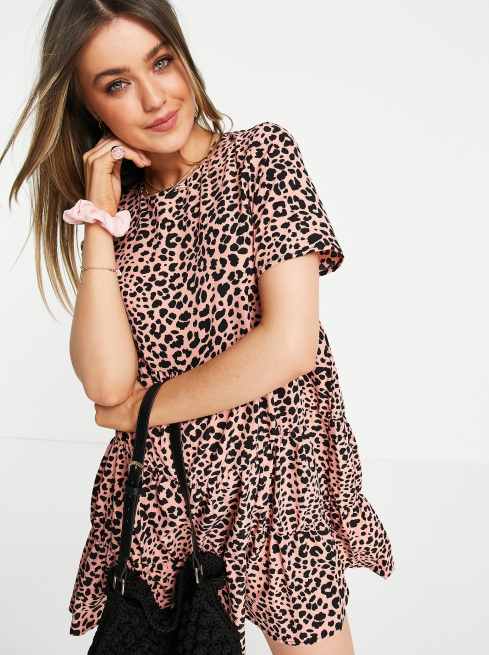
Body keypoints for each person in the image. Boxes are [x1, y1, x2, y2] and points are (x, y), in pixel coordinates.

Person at [2, 1, 395, 653]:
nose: (154, 97)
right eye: (117, 83)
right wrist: (98, 222)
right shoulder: (118, 212)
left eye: (160, 62)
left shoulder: (261, 158)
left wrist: (140, 411)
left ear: (182, 56)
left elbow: (288, 346)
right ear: (88, 105)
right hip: (166, 495)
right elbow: (106, 384)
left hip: (276, 482)